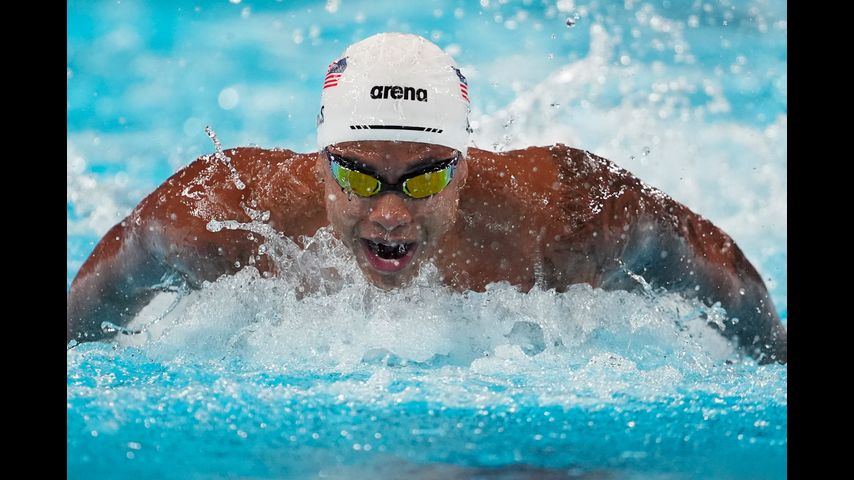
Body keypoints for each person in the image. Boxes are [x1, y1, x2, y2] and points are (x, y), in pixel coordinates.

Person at [66, 32, 787, 364]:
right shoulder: (215, 219)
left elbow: (706, 259)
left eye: (426, 177)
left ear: (466, 170)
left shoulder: (561, 213)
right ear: (321, 166)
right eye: (355, 176)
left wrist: (775, 354)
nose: (390, 214)